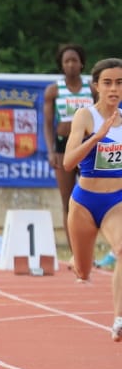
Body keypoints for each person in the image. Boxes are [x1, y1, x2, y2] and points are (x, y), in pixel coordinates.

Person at [60, 57, 122, 341]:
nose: (113, 89)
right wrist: (97, 136)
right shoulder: (86, 117)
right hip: (84, 203)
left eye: (119, 83)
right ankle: (78, 261)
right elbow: (68, 163)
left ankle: (119, 319)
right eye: (107, 82)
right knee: (84, 273)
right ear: (96, 86)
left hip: (116, 202)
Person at [43, 43, 106, 267]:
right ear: (61, 65)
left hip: (88, 147)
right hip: (63, 148)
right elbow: (48, 124)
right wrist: (51, 151)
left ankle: (92, 252)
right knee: (68, 201)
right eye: (66, 61)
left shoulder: (91, 89)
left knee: (94, 199)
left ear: (82, 64)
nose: (71, 64)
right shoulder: (54, 90)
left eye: (74, 60)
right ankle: (75, 254)